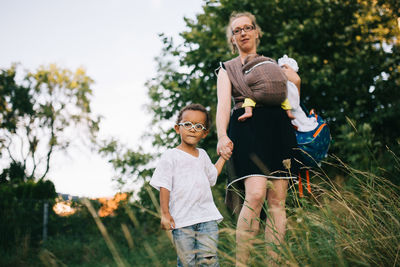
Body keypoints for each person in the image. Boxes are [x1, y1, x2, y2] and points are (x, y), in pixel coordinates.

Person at [215, 12, 300, 265]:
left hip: (278, 126)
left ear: (256, 31)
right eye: (236, 30)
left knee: (277, 201)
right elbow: (223, 106)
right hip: (247, 126)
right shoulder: (227, 69)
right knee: (255, 195)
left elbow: (292, 94)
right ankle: (242, 263)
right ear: (232, 38)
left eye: (247, 27)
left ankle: (274, 262)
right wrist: (221, 135)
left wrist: (295, 80)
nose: (242, 32)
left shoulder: (273, 64)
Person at [150, 103, 228, 267]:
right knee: (187, 263)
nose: (192, 129)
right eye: (187, 124)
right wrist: (165, 213)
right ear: (177, 128)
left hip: (207, 218)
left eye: (198, 126)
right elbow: (164, 185)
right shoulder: (171, 155)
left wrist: (223, 158)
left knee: (209, 261)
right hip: (182, 221)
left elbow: (212, 176)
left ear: (204, 133)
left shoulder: (203, 155)